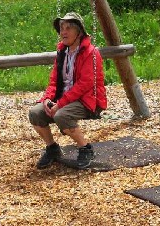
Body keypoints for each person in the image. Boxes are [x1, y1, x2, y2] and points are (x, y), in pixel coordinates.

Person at [28, 12, 107, 170]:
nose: (63, 32)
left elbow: (85, 84)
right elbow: (54, 81)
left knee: (61, 115)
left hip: (86, 100)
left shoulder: (91, 53)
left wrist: (61, 104)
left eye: (68, 28)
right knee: (35, 113)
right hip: (64, 99)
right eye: (62, 28)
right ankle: (52, 148)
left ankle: (85, 148)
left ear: (79, 32)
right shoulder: (62, 53)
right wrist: (47, 99)